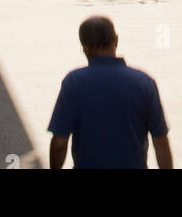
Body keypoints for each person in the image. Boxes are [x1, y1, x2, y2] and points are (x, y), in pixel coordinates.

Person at [48, 17, 173, 170]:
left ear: (84, 47)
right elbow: (160, 142)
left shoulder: (73, 82)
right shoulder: (144, 83)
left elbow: (59, 142)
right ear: (116, 40)